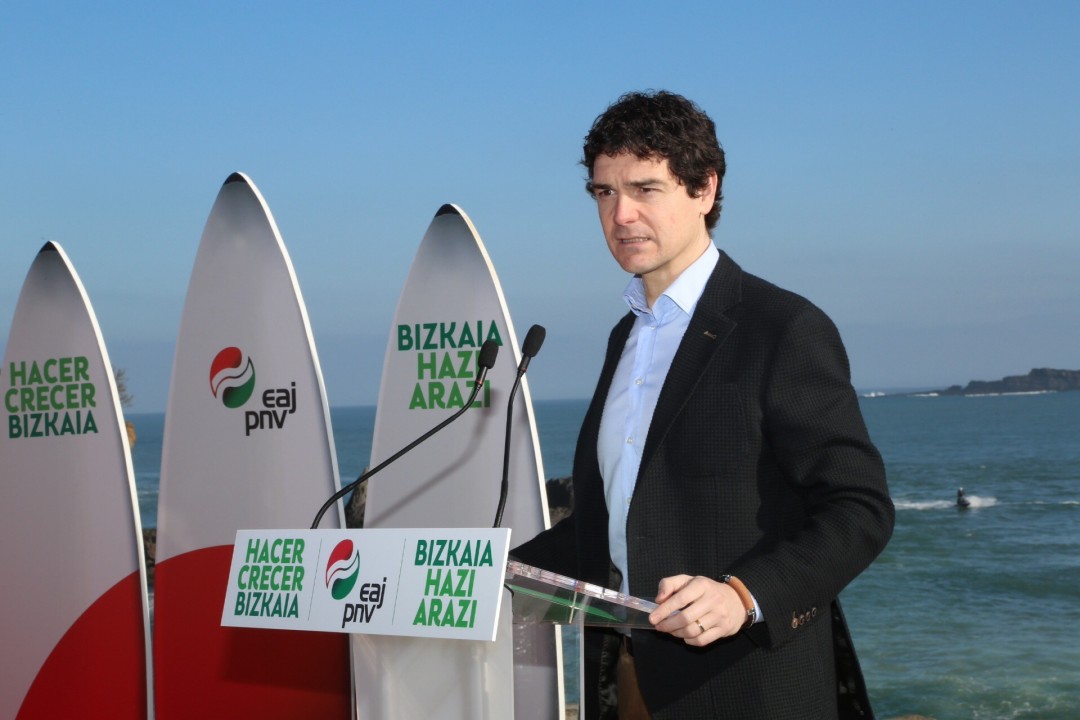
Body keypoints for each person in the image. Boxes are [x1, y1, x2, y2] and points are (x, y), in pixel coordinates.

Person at [511, 90, 895, 719]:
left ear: (704, 190)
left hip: (746, 689)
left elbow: (859, 509)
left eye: (645, 189)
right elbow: (612, 526)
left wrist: (743, 595)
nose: (621, 215)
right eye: (604, 193)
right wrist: (486, 573)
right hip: (625, 678)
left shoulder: (783, 327)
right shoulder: (625, 337)